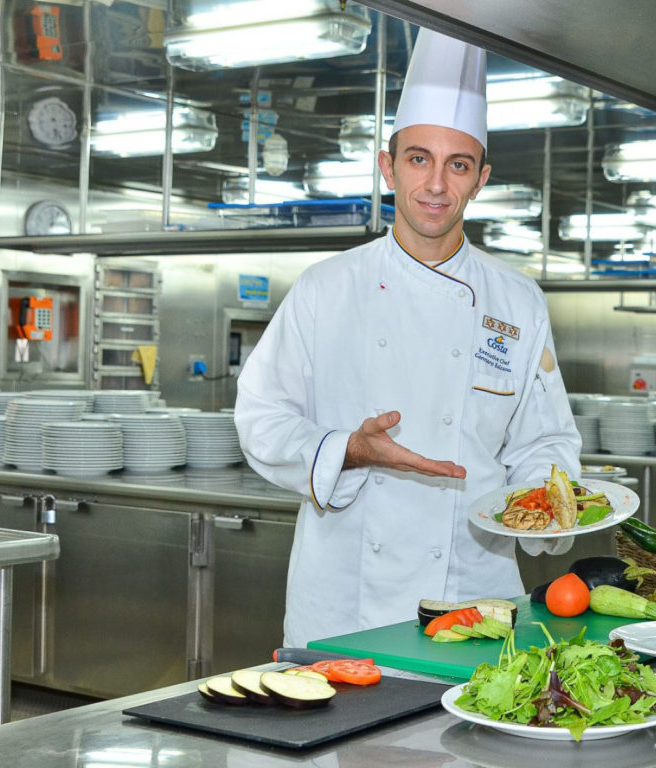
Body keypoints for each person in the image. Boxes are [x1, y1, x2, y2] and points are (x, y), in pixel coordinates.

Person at [234, 30, 582, 648]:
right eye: (419, 159)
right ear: (387, 166)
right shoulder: (325, 289)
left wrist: (548, 498)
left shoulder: (517, 300)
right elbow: (261, 417)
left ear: (481, 179)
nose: (436, 184)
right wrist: (348, 450)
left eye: (458, 165)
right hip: (344, 599)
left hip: (473, 592)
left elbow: (544, 441)